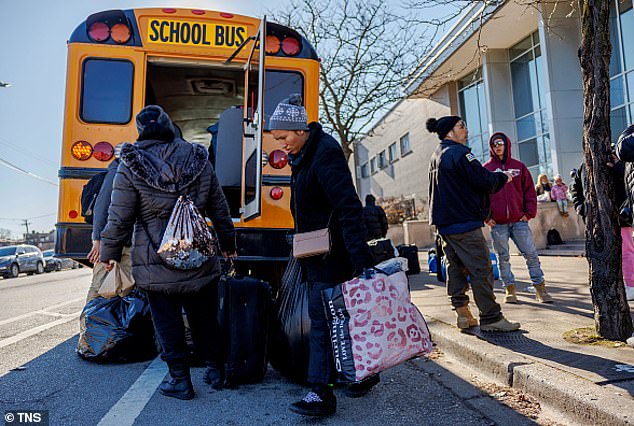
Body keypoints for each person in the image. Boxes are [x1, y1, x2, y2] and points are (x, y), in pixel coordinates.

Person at [100, 105, 237, 400]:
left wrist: (109, 250)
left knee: (167, 322)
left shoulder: (130, 164)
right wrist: (228, 244)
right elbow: (218, 206)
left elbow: (120, 214)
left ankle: (180, 380)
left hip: (154, 259)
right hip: (198, 254)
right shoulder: (198, 159)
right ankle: (216, 371)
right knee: (205, 317)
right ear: (170, 127)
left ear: (141, 131)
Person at [270, 94, 376, 417]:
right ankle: (361, 374)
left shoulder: (324, 154)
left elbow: (348, 208)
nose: (282, 145)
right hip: (316, 253)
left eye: (284, 137)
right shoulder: (303, 156)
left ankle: (321, 393)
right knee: (339, 320)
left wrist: (360, 262)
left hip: (331, 256)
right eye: (278, 139)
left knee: (323, 322)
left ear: (300, 129)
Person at [427, 115, 520, 332]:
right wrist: (503, 177)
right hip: (463, 222)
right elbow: (483, 180)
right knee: (481, 268)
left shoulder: (436, 155)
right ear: (450, 132)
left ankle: (463, 315)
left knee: (456, 268)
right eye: (461, 126)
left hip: (445, 224)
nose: (466, 130)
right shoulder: (460, 153)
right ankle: (491, 317)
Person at [483, 132, 552, 304]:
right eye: (494, 144)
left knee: (531, 254)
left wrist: (528, 213)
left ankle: (540, 289)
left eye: (500, 143)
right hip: (497, 223)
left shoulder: (519, 167)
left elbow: (530, 192)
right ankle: (510, 290)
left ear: (507, 144)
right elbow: (480, 195)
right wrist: (486, 216)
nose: (497, 146)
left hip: (519, 221)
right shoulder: (486, 169)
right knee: (503, 258)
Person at [85, 144, 131, 303]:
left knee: (114, 289)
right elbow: (101, 207)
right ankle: (89, 326)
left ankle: (102, 325)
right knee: (99, 288)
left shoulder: (121, 171)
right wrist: (97, 241)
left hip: (116, 241)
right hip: (113, 242)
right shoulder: (116, 172)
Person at [614, 124, 634, 301]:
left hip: (625, 215)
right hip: (625, 212)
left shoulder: (619, 166)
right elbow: (624, 150)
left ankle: (631, 284)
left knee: (627, 251)